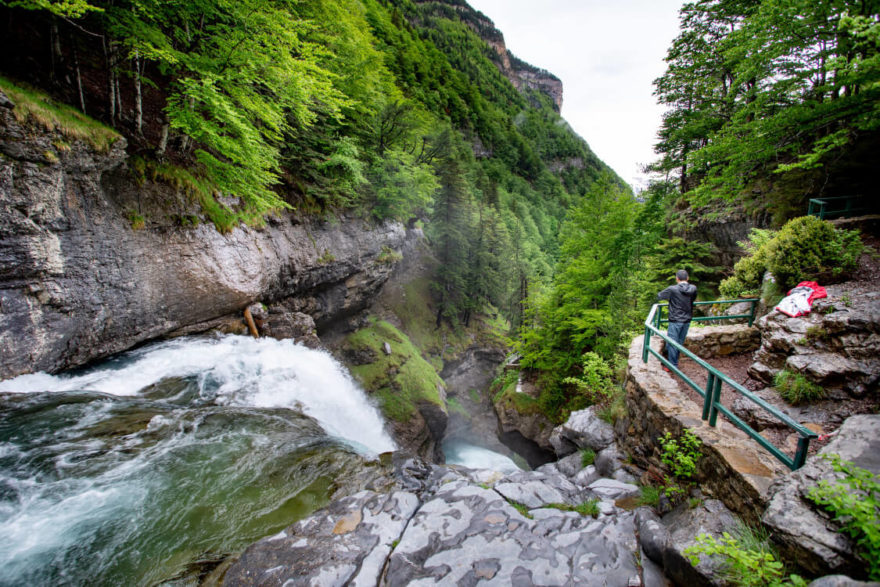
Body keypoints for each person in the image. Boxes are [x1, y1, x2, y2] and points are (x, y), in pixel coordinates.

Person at [656, 269, 698, 370]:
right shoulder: (693, 288)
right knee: (679, 342)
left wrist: (671, 298)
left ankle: (672, 365)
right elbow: (693, 299)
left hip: (675, 320)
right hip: (687, 319)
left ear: (677, 279)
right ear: (687, 278)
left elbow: (660, 296)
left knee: (672, 342)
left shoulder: (672, 289)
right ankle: (673, 361)